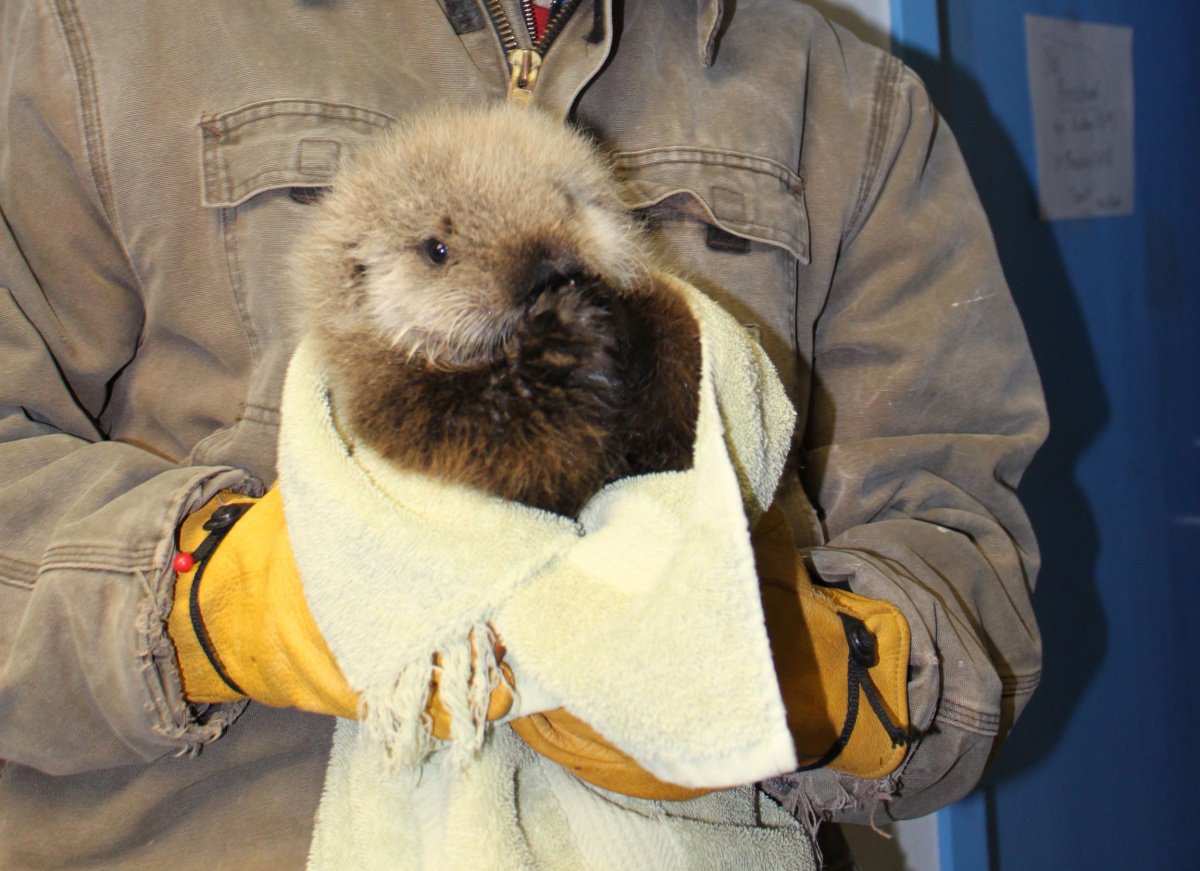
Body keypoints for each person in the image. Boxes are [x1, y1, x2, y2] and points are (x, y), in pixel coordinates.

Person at [0, 0, 1047, 867]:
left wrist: (801, 674)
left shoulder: (848, 107)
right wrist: (217, 602)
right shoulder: (94, 33)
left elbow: (961, 550)